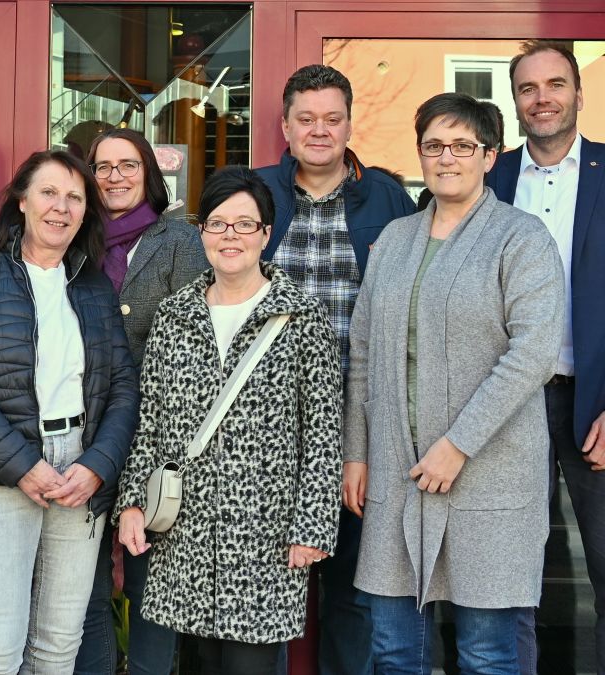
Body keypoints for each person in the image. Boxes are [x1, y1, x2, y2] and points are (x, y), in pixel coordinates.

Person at [342, 93, 564, 675]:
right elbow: (362, 352)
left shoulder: (521, 238)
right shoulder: (394, 240)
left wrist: (457, 444)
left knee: (487, 655)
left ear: (490, 156)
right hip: (398, 472)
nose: (448, 158)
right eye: (434, 146)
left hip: (488, 473)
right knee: (393, 651)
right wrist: (356, 454)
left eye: (463, 146)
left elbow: (533, 353)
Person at [114, 165, 343, 675]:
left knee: (250, 664)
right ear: (202, 233)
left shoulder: (301, 318)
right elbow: (150, 417)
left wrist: (312, 527)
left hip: (266, 534)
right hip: (184, 532)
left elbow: (324, 435)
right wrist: (131, 503)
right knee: (198, 662)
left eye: (245, 224)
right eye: (218, 224)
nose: (230, 236)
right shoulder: (175, 315)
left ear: (266, 233)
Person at [0, 150, 139, 674]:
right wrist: (23, 464)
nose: (60, 208)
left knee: (57, 648)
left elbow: (123, 389)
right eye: (48, 193)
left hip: (80, 474)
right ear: (21, 200)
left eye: (74, 198)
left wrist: (98, 466)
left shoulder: (92, 285)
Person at [254, 64, 415, 675]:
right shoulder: (255, 191)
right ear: (285, 125)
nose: (319, 131)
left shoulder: (389, 198)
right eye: (306, 119)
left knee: (353, 590)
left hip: (361, 424)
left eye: (332, 119)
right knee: (265, 583)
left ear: (350, 124)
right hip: (267, 423)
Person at [484, 40, 605, 675]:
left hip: (594, 402)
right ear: (515, 99)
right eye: (529, 88)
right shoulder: (490, 178)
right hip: (512, 400)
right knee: (513, 575)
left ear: (578, 94)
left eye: (556, 84)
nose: (543, 99)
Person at [75, 127, 206, 675]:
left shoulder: (178, 241)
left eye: (128, 165)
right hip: (80, 438)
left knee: (153, 587)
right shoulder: (72, 241)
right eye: (103, 167)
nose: (115, 177)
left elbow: (196, 349)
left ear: (149, 174)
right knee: (83, 586)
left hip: (154, 437)